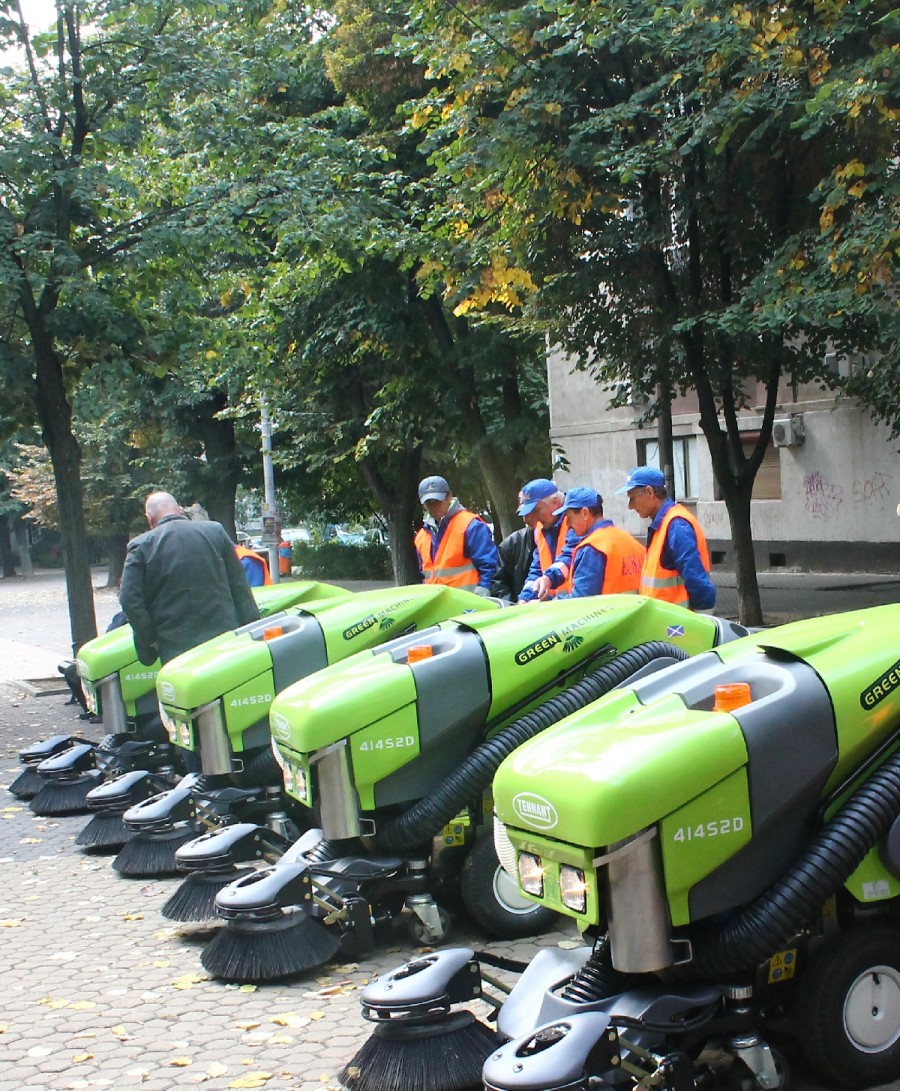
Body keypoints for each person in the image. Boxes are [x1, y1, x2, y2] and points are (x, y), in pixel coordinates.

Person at [120, 492, 261, 666]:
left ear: (149, 519)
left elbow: (129, 599)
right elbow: (240, 587)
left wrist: (150, 639)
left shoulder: (141, 547)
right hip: (223, 640)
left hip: (175, 648)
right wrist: (253, 629)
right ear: (180, 510)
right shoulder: (215, 532)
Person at [616, 466, 716, 610]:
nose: (630, 506)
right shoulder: (667, 524)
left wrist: (700, 621)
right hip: (670, 623)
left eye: (632, 498)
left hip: (678, 626)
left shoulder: (676, 525)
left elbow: (697, 582)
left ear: (650, 492)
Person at [531, 487, 645, 599]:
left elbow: (581, 601)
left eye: (569, 517)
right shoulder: (630, 541)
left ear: (585, 513)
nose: (568, 525)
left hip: (609, 616)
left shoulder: (592, 548)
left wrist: (546, 603)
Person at [414, 475, 498, 595]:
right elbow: (425, 575)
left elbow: (489, 566)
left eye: (437, 501)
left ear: (449, 496)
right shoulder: (421, 537)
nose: (433, 507)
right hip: (438, 605)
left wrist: (483, 592)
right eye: (428, 503)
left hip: (469, 605)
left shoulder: (471, 525)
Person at [516, 478, 572, 603]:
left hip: (578, 605)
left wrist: (548, 578)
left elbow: (569, 557)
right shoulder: (541, 528)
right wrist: (525, 596)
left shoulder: (573, 521)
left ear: (555, 502)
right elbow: (537, 568)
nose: (534, 518)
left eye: (536, 510)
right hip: (557, 605)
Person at [491, 526, 536, 602]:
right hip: (520, 606)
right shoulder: (510, 544)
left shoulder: (559, 540)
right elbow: (499, 583)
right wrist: (511, 606)